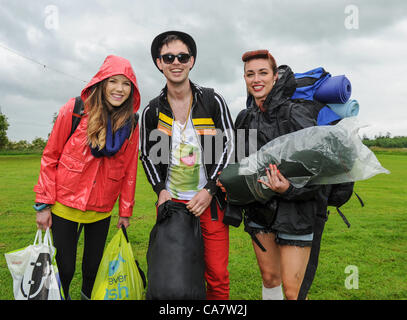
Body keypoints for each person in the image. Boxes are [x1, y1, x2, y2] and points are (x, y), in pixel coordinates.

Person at [34, 55, 141, 300]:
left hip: (101, 209)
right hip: (65, 205)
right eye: (113, 81)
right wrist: (43, 204)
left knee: (93, 269)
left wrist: (125, 211)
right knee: (65, 267)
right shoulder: (74, 110)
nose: (119, 89)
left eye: (126, 84)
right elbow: (50, 156)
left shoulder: (131, 124)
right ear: (102, 82)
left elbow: (129, 170)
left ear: (132, 90)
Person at [140, 31, 234, 300]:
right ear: (159, 63)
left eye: (182, 56)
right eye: (168, 57)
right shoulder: (152, 110)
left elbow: (229, 147)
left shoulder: (212, 100)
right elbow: (147, 156)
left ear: (191, 61)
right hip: (172, 206)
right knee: (173, 277)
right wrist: (160, 190)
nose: (176, 62)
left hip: (210, 202)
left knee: (216, 276)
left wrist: (210, 188)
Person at [228, 50, 327, 300]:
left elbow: (322, 169)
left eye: (263, 72)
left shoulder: (296, 113)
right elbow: (239, 165)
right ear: (245, 78)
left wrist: (289, 189)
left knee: (293, 293)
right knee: (270, 279)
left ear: (275, 77)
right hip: (260, 212)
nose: (256, 79)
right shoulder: (245, 117)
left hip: (297, 213)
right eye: (250, 74)